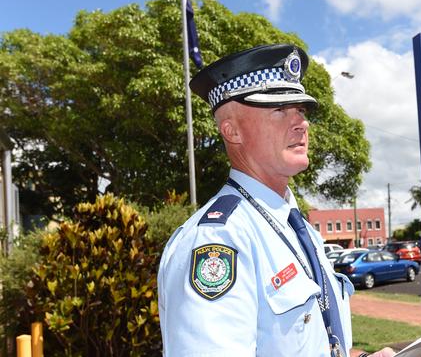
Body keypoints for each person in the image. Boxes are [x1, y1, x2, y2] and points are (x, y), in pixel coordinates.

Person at [157, 44, 395, 357]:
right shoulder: (219, 239)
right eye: (280, 110)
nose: (301, 123)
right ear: (232, 131)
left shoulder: (299, 229)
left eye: (301, 110)